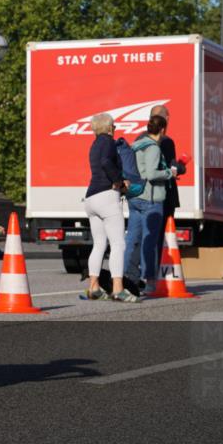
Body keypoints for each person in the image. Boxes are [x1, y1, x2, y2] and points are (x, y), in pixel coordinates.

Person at [122, 114, 178, 296]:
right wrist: (170, 173)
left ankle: (127, 278)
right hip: (150, 199)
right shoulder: (153, 147)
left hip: (134, 197)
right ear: (163, 129)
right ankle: (150, 281)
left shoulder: (137, 144)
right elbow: (153, 174)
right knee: (150, 241)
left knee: (132, 239)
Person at [81, 113, 130, 301]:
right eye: (114, 126)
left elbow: (100, 165)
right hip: (106, 196)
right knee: (118, 243)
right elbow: (106, 162)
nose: (115, 129)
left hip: (91, 198)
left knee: (99, 244)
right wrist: (118, 180)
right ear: (109, 127)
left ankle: (93, 287)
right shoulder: (109, 142)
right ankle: (118, 289)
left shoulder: (94, 145)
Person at [135, 105, 185, 279]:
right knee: (157, 238)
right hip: (160, 195)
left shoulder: (138, 139)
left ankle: (136, 274)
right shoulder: (165, 141)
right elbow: (168, 167)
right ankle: (151, 277)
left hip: (139, 195)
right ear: (166, 120)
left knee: (139, 236)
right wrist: (179, 168)